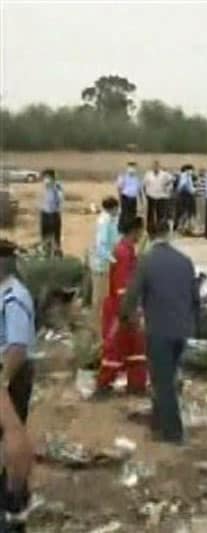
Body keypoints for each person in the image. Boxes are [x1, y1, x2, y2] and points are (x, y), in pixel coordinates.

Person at [121, 222, 200, 444]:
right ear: (169, 235)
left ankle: (173, 434)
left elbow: (132, 293)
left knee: (162, 381)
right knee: (166, 376)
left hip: (159, 330)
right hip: (182, 329)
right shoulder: (185, 261)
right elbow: (195, 298)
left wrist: (125, 316)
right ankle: (158, 422)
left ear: (150, 236)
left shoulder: (146, 261)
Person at [0, 240, 36, 532]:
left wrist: (2, 379)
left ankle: (14, 504)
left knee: (12, 436)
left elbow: (17, 347)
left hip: (12, 375)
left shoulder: (14, 297)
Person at [97, 216, 147, 395]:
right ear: (134, 230)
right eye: (141, 231)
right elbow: (122, 288)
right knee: (115, 348)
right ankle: (103, 385)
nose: (142, 234)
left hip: (126, 307)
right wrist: (128, 313)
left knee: (135, 347)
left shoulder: (126, 251)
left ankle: (136, 384)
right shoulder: (123, 253)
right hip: (122, 308)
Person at [90, 197, 120, 332]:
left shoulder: (109, 219)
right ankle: (97, 328)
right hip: (101, 265)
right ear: (113, 208)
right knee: (100, 298)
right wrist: (113, 260)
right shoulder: (105, 221)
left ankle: (101, 325)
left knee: (103, 297)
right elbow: (101, 245)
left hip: (105, 263)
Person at [143, 160, 173, 235]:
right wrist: (146, 194)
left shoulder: (164, 174)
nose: (155, 167)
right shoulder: (148, 174)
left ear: (159, 166)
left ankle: (160, 230)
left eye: (157, 166)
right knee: (150, 214)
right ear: (152, 167)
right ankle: (150, 230)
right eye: (154, 166)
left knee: (161, 214)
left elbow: (172, 180)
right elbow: (144, 185)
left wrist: (167, 188)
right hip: (151, 196)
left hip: (161, 196)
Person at [39, 169, 63, 254]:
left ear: (52, 177)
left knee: (55, 237)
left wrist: (53, 187)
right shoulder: (44, 187)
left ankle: (57, 253)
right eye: (44, 177)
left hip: (53, 214)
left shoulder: (57, 186)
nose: (45, 179)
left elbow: (60, 200)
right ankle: (45, 252)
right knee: (44, 236)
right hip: (44, 213)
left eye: (47, 177)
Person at [116, 162, 141, 233]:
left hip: (133, 199)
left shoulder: (137, 178)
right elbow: (119, 188)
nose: (132, 169)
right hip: (125, 198)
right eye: (131, 167)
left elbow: (138, 189)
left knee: (132, 214)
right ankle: (121, 229)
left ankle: (130, 228)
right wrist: (120, 198)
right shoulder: (123, 177)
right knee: (124, 213)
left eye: (134, 167)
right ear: (128, 168)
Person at [175, 165, 196, 233]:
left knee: (190, 212)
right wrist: (193, 190)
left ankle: (188, 227)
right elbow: (181, 186)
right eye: (190, 170)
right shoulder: (183, 176)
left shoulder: (190, 177)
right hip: (184, 196)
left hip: (189, 196)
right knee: (184, 212)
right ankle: (181, 227)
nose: (191, 172)